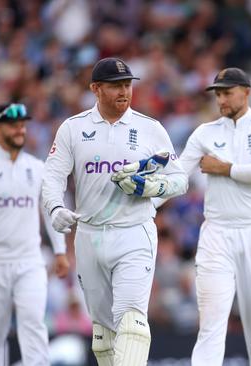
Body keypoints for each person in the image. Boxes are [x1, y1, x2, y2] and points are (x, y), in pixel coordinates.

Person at [42, 57, 187, 366]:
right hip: (91, 236)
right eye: (115, 87)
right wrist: (55, 208)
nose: (124, 92)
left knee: (132, 321)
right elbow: (52, 175)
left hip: (134, 231)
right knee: (103, 335)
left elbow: (180, 180)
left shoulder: (150, 128)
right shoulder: (74, 128)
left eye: (127, 85)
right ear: (96, 89)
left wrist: (151, 189)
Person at [157, 67, 251, 365]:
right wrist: (146, 197)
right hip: (217, 234)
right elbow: (177, 176)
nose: (221, 99)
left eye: (227, 92)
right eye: (218, 94)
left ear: (246, 92)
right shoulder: (205, 133)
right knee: (211, 323)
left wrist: (224, 168)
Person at [0, 102, 69, 366]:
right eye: (14, 125)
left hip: (30, 262)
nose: (21, 130)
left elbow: (50, 210)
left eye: (23, 125)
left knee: (34, 325)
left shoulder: (37, 167)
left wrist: (60, 251)